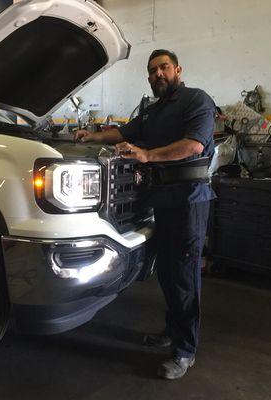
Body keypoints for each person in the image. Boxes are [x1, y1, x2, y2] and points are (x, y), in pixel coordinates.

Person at [74, 49, 216, 380]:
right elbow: (124, 133)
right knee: (166, 272)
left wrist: (148, 155)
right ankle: (172, 330)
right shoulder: (153, 112)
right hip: (160, 200)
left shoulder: (197, 101)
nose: (158, 74)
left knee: (184, 274)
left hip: (188, 199)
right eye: (152, 71)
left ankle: (185, 350)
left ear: (178, 69)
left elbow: (194, 145)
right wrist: (92, 135)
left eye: (164, 68)